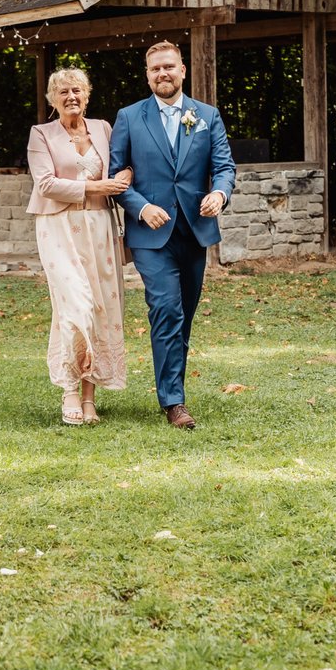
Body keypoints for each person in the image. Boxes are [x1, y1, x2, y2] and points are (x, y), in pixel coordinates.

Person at [109, 41, 236, 429]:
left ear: (182, 70)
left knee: (184, 315)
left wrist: (219, 194)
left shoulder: (207, 116)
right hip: (151, 236)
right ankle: (174, 402)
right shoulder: (130, 117)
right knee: (166, 309)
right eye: (155, 69)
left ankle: (172, 386)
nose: (162, 74)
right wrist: (141, 207)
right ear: (147, 75)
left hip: (194, 231)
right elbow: (116, 177)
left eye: (168, 67)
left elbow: (224, 167)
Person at [27, 67, 131, 425]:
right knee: (75, 307)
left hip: (99, 227)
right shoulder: (41, 134)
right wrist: (95, 187)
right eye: (63, 92)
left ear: (87, 95)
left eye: (77, 90)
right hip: (58, 227)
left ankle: (89, 396)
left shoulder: (103, 128)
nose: (71, 97)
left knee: (101, 309)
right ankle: (69, 390)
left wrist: (125, 175)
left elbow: (122, 166)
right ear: (53, 99)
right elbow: (45, 184)